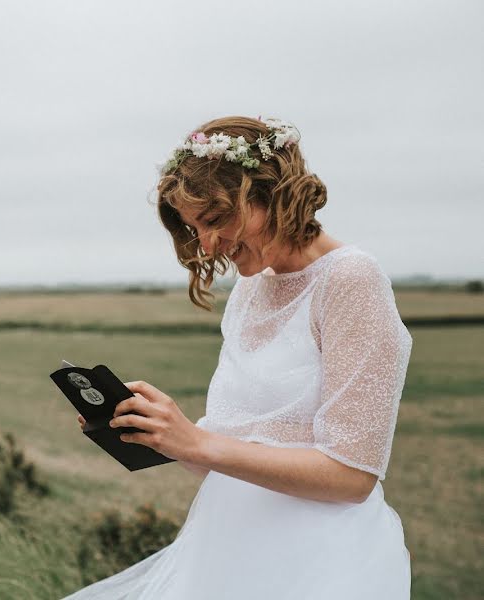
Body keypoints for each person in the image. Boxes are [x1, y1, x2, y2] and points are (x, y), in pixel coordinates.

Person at [67, 116, 412, 599]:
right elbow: (231, 454)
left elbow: (352, 476)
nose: (206, 245)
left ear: (270, 193)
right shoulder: (251, 289)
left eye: (214, 220)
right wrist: (161, 436)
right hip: (221, 552)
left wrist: (197, 442)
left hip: (314, 563)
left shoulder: (351, 280)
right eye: (194, 228)